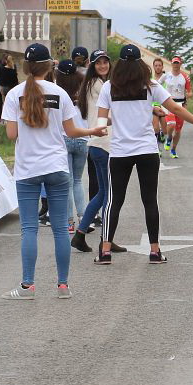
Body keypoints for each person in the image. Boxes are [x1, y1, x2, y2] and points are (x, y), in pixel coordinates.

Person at [94, 44, 193, 264]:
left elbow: (101, 121)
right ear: (141, 64)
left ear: (120, 64)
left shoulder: (108, 87)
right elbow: (177, 109)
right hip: (146, 150)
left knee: (115, 200)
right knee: (150, 200)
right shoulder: (151, 86)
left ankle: (105, 251)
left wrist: (106, 126)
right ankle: (155, 251)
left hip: (120, 152)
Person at [1, 43, 105, 301]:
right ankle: (63, 286)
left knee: (29, 228)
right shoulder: (60, 93)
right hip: (57, 167)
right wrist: (91, 131)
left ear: (25, 67)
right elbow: (71, 131)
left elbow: (12, 134)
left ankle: (27, 286)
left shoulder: (14, 95)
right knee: (60, 229)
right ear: (49, 66)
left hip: (27, 169)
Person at [71, 49, 112, 253]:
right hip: (103, 143)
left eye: (105, 62)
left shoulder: (90, 84)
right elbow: (104, 118)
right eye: (99, 63)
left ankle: (81, 234)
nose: (103, 66)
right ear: (92, 65)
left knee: (103, 193)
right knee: (109, 194)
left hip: (96, 144)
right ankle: (106, 240)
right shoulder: (99, 85)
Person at [54, 59, 89, 234]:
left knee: (67, 183)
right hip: (83, 137)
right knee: (77, 181)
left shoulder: (57, 90)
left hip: (64, 137)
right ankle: (83, 218)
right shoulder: (84, 88)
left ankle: (69, 222)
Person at [159, 56, 190, 159]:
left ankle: (173, 149)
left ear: (180, 64)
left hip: (180, 103)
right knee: (171, 124)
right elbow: (158, 86)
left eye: (177, 63)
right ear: (171, 64)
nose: (176, 65)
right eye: (174, 63)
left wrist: (188, 96)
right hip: (169, 103)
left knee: (178, 129)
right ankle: (168, 138)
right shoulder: (166, 75)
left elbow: (189, 91)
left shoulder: (185, 77)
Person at [0, 53, 19, 120]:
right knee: (12, 103)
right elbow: (15, 81)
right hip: (11, 88)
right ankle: (11, 117)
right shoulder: (13, 69)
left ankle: (1, 118)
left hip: (3, 87)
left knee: (2, 103)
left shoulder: (1, 68)